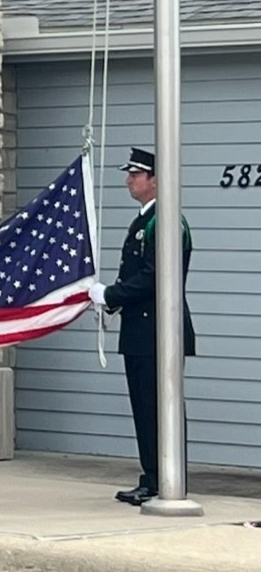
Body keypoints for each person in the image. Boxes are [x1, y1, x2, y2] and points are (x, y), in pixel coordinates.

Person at [87, 147, 195, 506]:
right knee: (145, 407)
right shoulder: (145, 219)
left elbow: (155, 277)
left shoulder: (164, 222)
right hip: (141, 330)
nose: (128, 180)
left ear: (155, 180)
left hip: (157, 331)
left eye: (136, 174)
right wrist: (111, 301)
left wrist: (112, 293)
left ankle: (164, 479)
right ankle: (153, 476)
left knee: (159, 407)